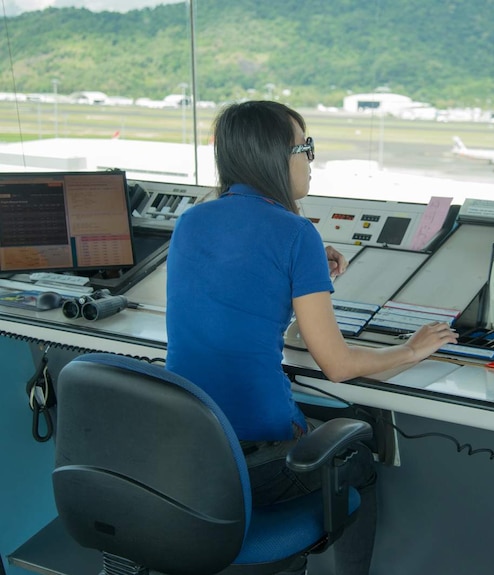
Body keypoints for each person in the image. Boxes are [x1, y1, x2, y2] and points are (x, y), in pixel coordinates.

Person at [165, 100, 458, 574]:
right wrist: (411, 349)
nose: (311, 160)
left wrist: (309, 275)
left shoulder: (191, 220)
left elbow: (242, 300)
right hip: (252, 466)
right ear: (273, 156)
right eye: (306, 147)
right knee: (358, 456)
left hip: (190, 450)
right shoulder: (295, 233)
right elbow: (337, 366)